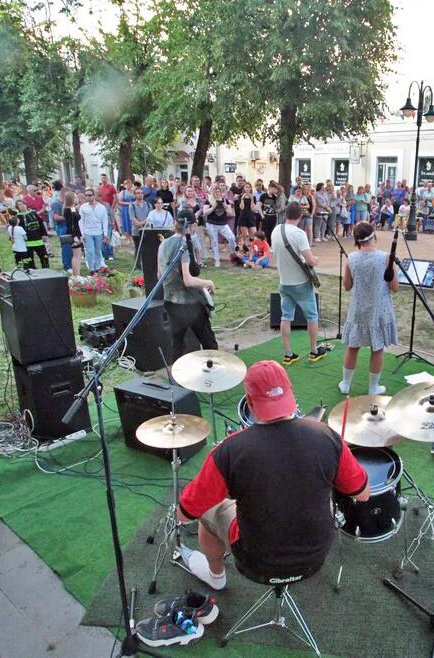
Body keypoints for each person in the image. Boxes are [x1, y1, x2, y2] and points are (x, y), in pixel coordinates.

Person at [174, 360, 369, 599]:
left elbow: (184, 514)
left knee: (207, 510)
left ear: (251, 402)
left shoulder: (229, 451)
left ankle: (216, 577)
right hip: (315, 556)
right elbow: (363, 493)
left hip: (256, 561)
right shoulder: (327, 437)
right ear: (290, 393)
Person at [338, 222, 399, 396]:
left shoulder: (351, 258)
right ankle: (373, 387)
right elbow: (394, 287)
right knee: (377, 348)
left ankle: (346, 384)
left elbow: (347, 286)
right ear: (373, 236)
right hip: (379, 309)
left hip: (358, 308)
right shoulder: (386, 257)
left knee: (353, 346)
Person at [271, 202, 328, 364]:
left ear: (285, 214)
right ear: (300, 216)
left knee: (286, 316)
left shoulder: (276, 230)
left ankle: (288, 353)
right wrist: (315, 260)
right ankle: (313, 351)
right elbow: (310, 261)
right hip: (301, 283)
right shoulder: (300, 234)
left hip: (284, 282)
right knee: (312, 316)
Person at [158, 218, 217, 364]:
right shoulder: (183, 245)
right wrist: (208, 283)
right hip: (189, 304)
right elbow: (188, 280)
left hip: (171, 301)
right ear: (191, 226)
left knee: (177, 344)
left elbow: (160, 275)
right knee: (209, 342)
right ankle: (212, 375)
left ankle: (177, 381)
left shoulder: (163, 244)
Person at [203, 188, 236, 267]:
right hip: (212, 224)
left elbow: (230, 213)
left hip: (223, 224)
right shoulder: (209, 201)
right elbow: (205, 212)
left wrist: (225, 205)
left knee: (231, 237)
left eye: (218, 191)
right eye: (215, 192)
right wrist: (213, 207)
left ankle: (232, 253)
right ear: (212, 193)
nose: (217, 193)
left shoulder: (225, 200)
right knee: (214, 242)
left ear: (221, 192)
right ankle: (217, 259)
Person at [79, 188, 109, 273]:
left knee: (98, 251)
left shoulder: (101, 207)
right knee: (90, 251)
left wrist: (105, 234)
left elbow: (105, 221)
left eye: (90, 195)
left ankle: (98, 267)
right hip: (88, 232)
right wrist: (82, 234)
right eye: (86, 195)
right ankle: (91, 269)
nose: (88, 197)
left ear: (94, 196)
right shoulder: (83, 207)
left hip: (98, 232)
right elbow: (81, 221)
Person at [15, 200, 49, 268]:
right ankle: (32, 271)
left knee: (44, 257)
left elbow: (40, 223)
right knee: (29, 260)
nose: (22, 206)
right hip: (27, 243)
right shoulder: (18, 217)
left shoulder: (33, 213)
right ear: (17, 207)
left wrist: (44, 234)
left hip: (38, 240)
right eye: (20, 205)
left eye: (23, 204)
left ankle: (46, 269)